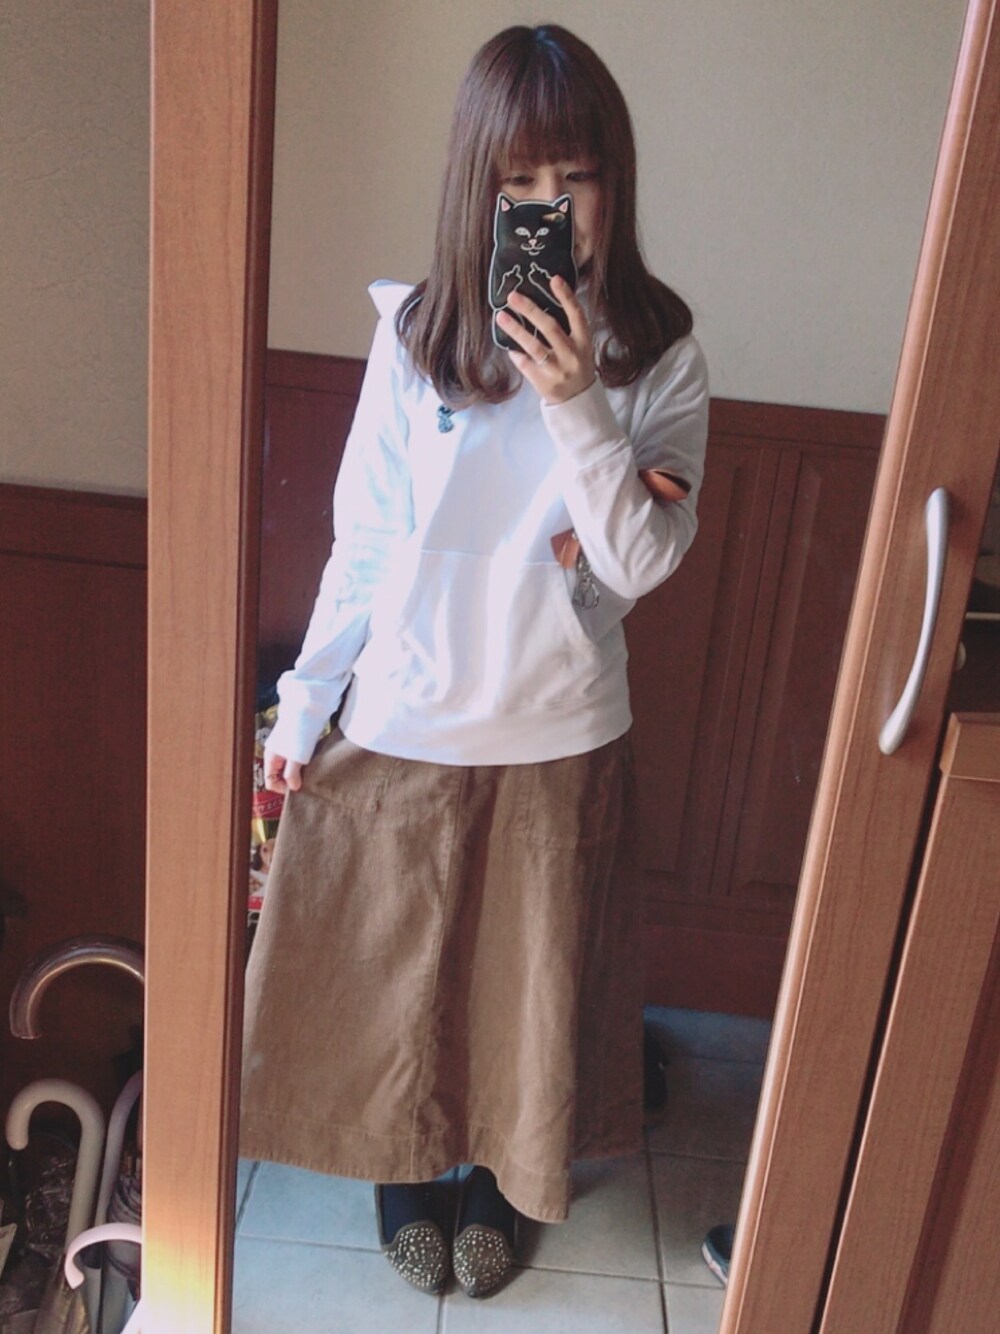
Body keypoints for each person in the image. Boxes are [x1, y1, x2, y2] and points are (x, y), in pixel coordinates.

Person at [240, 23, 709, 1300]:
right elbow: (364, 539)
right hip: (405, 717)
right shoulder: (415, 336)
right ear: (477, 190)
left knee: (524, 988)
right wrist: (306, 703)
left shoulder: (660, 355)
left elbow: (639, 560)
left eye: (577, 178)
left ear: (615, 181)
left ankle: (503, 1181)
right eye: (520, 184)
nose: (552, 207)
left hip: (560, 729)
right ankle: (406, 1171)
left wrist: (575, 398)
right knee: (399, 976)